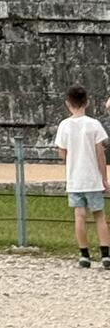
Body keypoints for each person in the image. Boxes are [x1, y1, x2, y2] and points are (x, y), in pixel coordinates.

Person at [53, 84, 110, 269]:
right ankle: (105, 254)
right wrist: (104, 177)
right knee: (99, 216)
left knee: (79, 216)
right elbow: (101, 154)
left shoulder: (64, 125)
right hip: (92, 178)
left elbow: (62, 152)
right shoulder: (94, 125)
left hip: (75, 179)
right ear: (87, 102)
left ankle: (84, 254)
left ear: (67, 103)